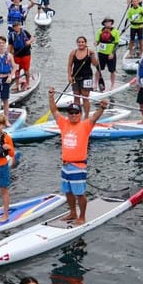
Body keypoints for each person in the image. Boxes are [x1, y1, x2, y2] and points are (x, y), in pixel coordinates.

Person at [48, 88, 107, 225]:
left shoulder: (85, 125)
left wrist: (102, 107)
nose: (73, 115)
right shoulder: (64, 123)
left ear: (80, 114)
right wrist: (51, 97)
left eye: (76, 112)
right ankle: (72, 213)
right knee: (68, 192)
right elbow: (54, 111)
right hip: (65, 165)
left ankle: (82, 217)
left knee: (79, 193)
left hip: (78, 166)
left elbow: (94, 117)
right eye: (71, 113)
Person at [67, 37, 99, 116]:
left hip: (87, 77)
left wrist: (93, 55)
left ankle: (86, 116)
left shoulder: (89, 52)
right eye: (79, 42)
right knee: (76, 97)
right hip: (75, 77)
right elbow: (69, 65)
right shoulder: (73, 53)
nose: (81, 43)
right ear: (77, 43)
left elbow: (95, 64)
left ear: (85, 43)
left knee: (85, 97)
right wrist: (69, 76)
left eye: (82, 42)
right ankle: (77, 115)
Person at [8, 21, 35, 92]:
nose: (16, 27)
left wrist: (29, 42)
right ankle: (17, 85)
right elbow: (10, 46)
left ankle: (28, 83)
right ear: (13, 28)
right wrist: (9, 55)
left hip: (26, 55)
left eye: (17, 26)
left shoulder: (25, 32)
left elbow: (32, 38)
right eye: (15, 26)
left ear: (20, 26)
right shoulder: (12, 35)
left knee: (26, 70)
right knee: (17, 70)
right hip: (17, 56)